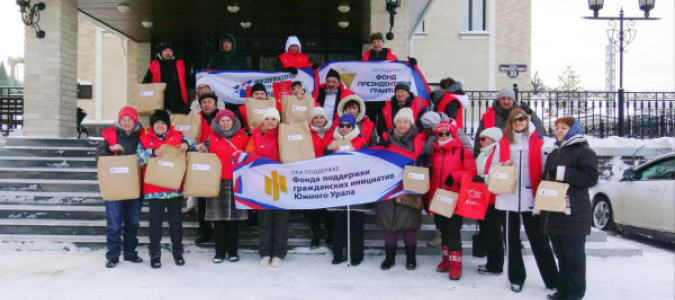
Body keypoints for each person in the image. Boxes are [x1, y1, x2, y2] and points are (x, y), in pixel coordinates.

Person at [489, 109, 558, 293]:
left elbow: (547, 170)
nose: (518, 123)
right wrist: (503, 166)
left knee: (539, 239)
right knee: (511, 240)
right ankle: (516, 277)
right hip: (507, 196)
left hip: (531, 196)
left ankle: (552, 278)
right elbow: (492, 169)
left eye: (522, 119)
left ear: (527, 121)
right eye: (514, 120)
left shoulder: (539, 143)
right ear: (510, 123)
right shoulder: (501, 145)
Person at [541, 117, 598, 300]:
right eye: (557, 128)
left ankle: (574, 294)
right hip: (555, 212)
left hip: (574, 212)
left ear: (573, 130)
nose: (558, 131)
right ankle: (563, 291)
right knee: (562, 256)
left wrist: (565, 173)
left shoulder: (583, 151)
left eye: (563, 128)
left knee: (574, 258)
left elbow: (591, 178)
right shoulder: (553, 153)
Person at [137, 109, 195, 269]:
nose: (160, 126)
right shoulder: (144, 139)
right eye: (157, 123)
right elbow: (138, 159)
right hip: (154, 189)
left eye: (163, 123)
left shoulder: (177, 136)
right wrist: (151, 152)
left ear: (167, 125)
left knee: (176, 222)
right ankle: (154, 254)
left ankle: (178, 252)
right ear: (152, 125)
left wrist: (186, 144)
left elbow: (193, 144)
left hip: (174, 188)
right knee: (155, 223)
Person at [375, 108, 426, 271]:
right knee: (388, 223)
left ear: (411, 123)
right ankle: (389, 256)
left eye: (405, 121)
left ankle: (411, 256)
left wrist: (426, 159)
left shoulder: (420, 139)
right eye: (399, 121)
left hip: (410, 187)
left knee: (409, 224)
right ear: (394, 123)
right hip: (388, 187)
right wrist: (378, 150)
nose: (402, 124)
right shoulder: (385, 138)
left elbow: (429, 159)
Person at [96, 106, 144, 268]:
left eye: (129, 119)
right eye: (123, 119)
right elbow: (99, 157)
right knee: (114, 222)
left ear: (135, 120)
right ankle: (113, 254)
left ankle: (130, 253)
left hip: (135, 185)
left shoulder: (142, 136)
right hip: (114, 186)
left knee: (133, 222)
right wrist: (110, 150)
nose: (126, 123)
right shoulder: (110, 135)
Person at [428, 121, 477, 280]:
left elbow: (472, 173)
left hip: (454, 198)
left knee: (453, 232)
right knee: (442, 230)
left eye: (446, 133)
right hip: (438, 197)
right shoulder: (435, 152)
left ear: (452, 134)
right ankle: (446, 260)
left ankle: (456, 264)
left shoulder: (462, 151)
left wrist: (455, 177)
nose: (443, 136)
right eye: (440, 134)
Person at [201, 109, 250, 263]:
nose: (225, 123)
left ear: (233, 121)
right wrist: (201, 150)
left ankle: (233, 251)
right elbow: (204, 158)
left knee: (234, 222)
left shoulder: (243, 137)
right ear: (217, 122)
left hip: (236, 183)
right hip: (217, 183)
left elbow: (250, 155)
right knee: (219, 221)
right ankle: (219, 252)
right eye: (222, 121)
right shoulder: (210, 138)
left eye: (228, 120)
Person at [244, 108, 288, 268]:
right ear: (263, 121)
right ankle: (265, 252)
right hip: (262, 181)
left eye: (274, 119)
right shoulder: (255, 136)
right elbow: (250, 155)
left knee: (281, 220)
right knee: (265, 220)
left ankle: (278, 253)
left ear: (278, 121)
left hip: (282, 181)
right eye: (267, 119)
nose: (270, 122)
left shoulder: (284, 135)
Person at [325, 114, 369, 265]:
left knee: (356, 222)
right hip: (338, 186)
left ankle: (356, 255)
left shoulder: (362, 142)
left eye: (348, 126)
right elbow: (324, 164)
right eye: (342, 125)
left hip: (356, 187)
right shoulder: (332, 141)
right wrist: (329, 151)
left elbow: (366, 163)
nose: (344, 128)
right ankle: (339, 254)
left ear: (353, 127)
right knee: (339, 223)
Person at [471, 127, 505, 276]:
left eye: (483, 139)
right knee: (488, 230)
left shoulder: (498, 151)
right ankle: (492, 262)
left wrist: (483, 179)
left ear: (493, 138)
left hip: (493, 198)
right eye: (479, 139)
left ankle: (496, 265)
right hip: (484, 196)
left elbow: (498, 173)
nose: (480, 142)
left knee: (493, 232)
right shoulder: (485, 153)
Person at [473, 87, 545, 156]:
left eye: (509, 99)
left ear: (513, 101)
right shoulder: (487, 116)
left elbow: (539, 130)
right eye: (503, 99)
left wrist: (531, 113)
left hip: (514, 154)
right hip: (492, 155)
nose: (506, 102)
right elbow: (479, 138)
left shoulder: (520, 115)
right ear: (498, 100)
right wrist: (477, 156)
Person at [192, 92, 221, 245]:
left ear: (215, 104)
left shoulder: (222, 117)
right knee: (202, 199)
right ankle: (204, 231)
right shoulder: (195, 118)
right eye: (204, 102)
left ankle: (219, 231)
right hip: (201, 160)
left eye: (209, 102)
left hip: (219, 161)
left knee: (217, 198)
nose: (207, 105)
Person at [142, 41, 189, 114]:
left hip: (178, 104)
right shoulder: (154, 65)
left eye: (170, 51)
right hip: (161, 103)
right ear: (161, 52)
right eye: (165, 51)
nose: (168, 53)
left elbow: (189, 82)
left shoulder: (180, 64)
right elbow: (145, 83)